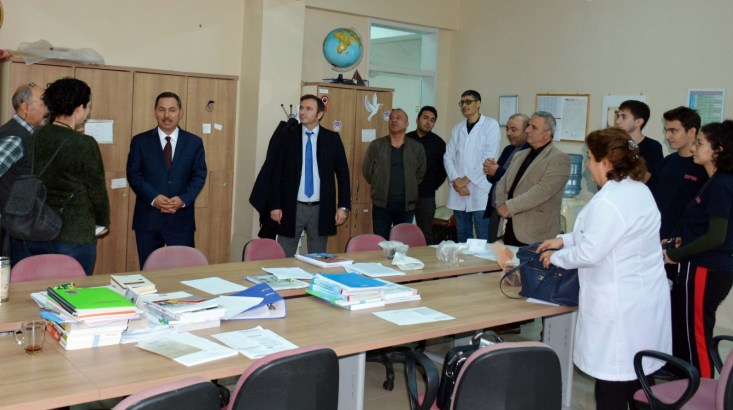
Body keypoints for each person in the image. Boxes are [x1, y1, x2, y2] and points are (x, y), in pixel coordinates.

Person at [538, 128, 671, 410]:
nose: (587, 165)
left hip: (619, 306)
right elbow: (606, 234)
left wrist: (555, 257)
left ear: (606, 162)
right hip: (642, 301)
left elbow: (591, 251)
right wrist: (564, 240)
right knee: (640, 378)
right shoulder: (638, 190)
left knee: (613, 383)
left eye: (589, 157)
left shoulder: (611, 201)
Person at [17, 77, 109, 275]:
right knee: (74, 291)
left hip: (36, 229)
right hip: (73, 235)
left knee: (37, 290)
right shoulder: (84, 143)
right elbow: (97, 192)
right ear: (79, 108)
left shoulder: (36, 136)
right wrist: (103, 222)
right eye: (87, 107)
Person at [663, 120, 733, 379]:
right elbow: (705, 228)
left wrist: (675, 255)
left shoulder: (722, 184)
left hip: (708, 268)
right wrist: (680, 242)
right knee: (689, 331)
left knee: (698, 335)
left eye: (700, 143)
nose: (693, 148)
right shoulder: (715, 181)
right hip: (702, 265)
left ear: (718, 151)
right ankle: (686, 381)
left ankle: (702, 388)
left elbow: (716, 236)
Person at [127, 92, 207, 268]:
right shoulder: (140, 141)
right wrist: (154, 198)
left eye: (172, 110)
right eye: (162, 110)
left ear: (181, 112)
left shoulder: (194, 142)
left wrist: (183, 199)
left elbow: (199, 175)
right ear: (155, 112)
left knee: (182, 272)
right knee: (149, 271)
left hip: (181, 220)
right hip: (148, 219)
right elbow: (134, 175)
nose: (166, 115)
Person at [268, 94, 351, 256]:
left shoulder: (332, 139)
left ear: (319, 114)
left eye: (308, 109)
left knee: (318, 257)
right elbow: (276, 172)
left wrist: (343, 207)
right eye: (301, 108)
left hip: (321, 208)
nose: (302, 112)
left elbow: (343, 175)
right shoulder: (287, 137)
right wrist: (275, 205)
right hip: (292, 207)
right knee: (284, 255)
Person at [494, 111, 570, 246]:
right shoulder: (519, 155)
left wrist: (509, 207)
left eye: (533, 127)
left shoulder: (559, 159)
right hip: (509, 227)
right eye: (528, 125)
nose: (527, 130)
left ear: (547, 134)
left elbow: (541, 191)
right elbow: (502, 183)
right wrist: (500, 205)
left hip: (535, 233)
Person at [653, 107, 708, 279]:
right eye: (666, 131)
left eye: (673, 131)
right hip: (660, 241)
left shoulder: (703, 167)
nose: (668, 136)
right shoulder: (668, 162)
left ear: (691, 132)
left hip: (686, 246)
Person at [444, 90, 500, 242]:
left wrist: (464, 181)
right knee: (462, 234)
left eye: (468, 102)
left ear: (478, 104)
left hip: (480, 188)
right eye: (462, 102)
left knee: (483, 236)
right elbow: (448, 157)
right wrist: (456, 181)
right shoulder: (457, 128)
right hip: (458, 189)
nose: (464, 105)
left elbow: (488, 158)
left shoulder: (490, 125)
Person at [0, 82, 48, 259]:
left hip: (20, 223)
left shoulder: (28, 134)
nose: (48, 109)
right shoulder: (16, 138)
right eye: (43, 104)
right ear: (25, 107)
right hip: (13, 226)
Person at [362, 108, 426, 240]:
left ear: (407, 124)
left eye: (398, 118)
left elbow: (421, 173)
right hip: (381, 205)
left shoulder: (416, 147)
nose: (394, 120)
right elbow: (367, 170)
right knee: (380, 242)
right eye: (391, 118)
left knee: (402, 243)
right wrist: (378, 183)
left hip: (406, 205)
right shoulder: (377, 145)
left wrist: (410, 184)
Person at [483, 113, 530, 242]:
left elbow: (520, 181)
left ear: (527, 130)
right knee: (492, 247)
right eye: (507, 129)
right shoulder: (508, 149)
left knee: (507, 249)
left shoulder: (530, 152)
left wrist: (497, 171)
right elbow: (496, 178)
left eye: (513, 130)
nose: (509, 133)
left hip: (513, 211)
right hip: (496, 207)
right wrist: (490, 170)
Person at [406, 106, 446, 244]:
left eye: (432, 120)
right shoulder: (406, 139)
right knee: (403, 231)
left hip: (426, 195)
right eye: (425, 118)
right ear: (417, 119)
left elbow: (443, 170)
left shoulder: (439, 143)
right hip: (405, 195)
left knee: (426, 234)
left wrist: (432, 185)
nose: (428, 122)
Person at [614, 100, 663, 189]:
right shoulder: (615, 145)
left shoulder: (652, 147)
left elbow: (640, 180)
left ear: (638, 122)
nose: (617, 121)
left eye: (623, 117)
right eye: (618, 116)